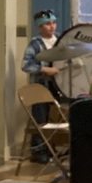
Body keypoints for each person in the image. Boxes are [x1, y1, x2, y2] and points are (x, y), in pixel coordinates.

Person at [21, 10, 61, 161]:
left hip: (56, 85)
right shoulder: (36, 43)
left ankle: (51, 148)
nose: (52, 27)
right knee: (41, 119)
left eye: (53, 23)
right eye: (47, 24)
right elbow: (25, 65)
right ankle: (38, 152)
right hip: (41, 86)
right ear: (39, 27)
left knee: (53, 119)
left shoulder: (58, 41)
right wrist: (44, 69)